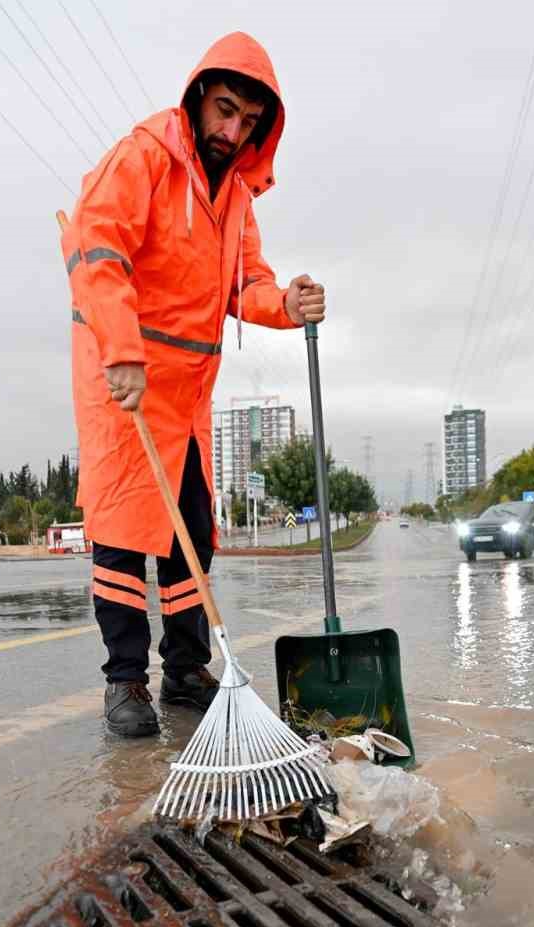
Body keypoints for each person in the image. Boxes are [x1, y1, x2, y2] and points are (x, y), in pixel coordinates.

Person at [60, 33, 326, 737]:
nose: (232, 133)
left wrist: (285, 303)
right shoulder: (145, 156)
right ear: (199, 97)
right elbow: (97, 249)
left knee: (191, 536)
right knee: (122, 538)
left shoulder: (234, 195)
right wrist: (122, 351)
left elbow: (248, 283)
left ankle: (184, 669)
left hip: (187, 395)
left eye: (248, 123)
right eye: (225, 111)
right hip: (124, 378)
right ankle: (125, 682)